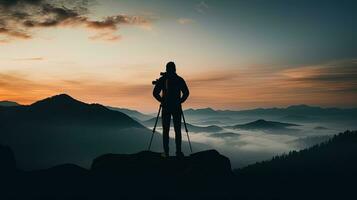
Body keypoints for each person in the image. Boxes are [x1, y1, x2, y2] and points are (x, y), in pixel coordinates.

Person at [153, 61, 189, 158]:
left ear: (166, 69)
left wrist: (162, 101)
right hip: (176, 107)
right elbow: (186, 93)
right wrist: (180, 101)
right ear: (175, 69)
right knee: (177, 130)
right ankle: (178, 152)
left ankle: (166, 153)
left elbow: (155, 93)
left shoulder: (163, 79)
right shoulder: (179, 79)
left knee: (166, 130)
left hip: (166, 107)